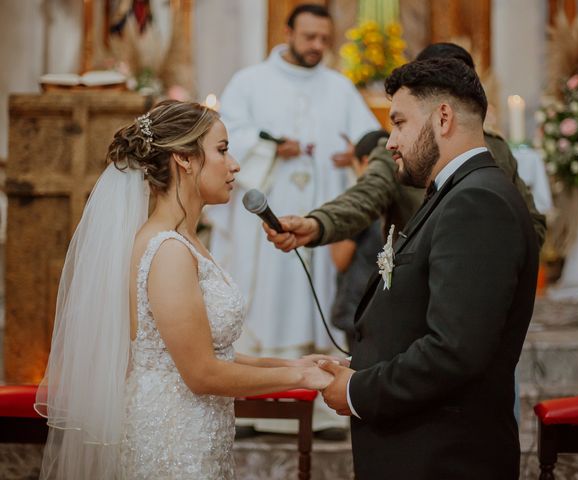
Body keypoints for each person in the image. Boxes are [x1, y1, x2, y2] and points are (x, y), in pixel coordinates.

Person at [35, 100, 333, 480]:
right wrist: (300, 379)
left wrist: (294, 364)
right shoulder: (169, 251)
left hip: (195, 433)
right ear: (184, 159)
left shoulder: (183, 240)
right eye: (222, 151)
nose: (235, 165)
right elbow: (202, 373)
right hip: (172, 442)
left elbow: (211, 353)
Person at [295, 58, 538, 478]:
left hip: (443, 457)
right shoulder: (458, 193)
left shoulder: (477, 203)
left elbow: (454, 349)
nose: (390, 142)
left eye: (400, 122)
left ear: (443, 117)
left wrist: (356, 390)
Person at [206, 3, 379, 436]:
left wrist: (352, 154)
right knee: (257, 296)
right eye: (309, 38)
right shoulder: (249, 82)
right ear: (287, 33)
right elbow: (224, 137)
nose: (318, 46)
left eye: (325, 38)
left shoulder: (339, 87)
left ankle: (321, 406)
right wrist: (269, 147)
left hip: (316, 219)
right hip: (260, 218)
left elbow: (368, 143)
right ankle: (248, 402)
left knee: (313, 294)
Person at [263, 43, 546, 252]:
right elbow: (363, 198)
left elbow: (530, 223)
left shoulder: (496, 150)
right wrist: (316, 224)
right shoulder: (398, 150)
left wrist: (500, 263)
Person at [330, 131, 387, 350]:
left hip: (360, 304)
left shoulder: (360, 203)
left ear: (364, 161)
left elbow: (340, 259)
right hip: (387, 307)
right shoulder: (402, 193)